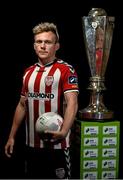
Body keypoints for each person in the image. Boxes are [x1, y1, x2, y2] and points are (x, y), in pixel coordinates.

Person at [5, 22, 79, 179]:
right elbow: (21, 105)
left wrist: (64, 131)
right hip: (31, 145)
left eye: (48, 42)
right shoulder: (28, 72)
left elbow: (72, 102)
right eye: (39, 42)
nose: (43, 46)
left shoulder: (66, 70)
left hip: (58, 145)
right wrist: (11, 136)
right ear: (34, 45)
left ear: (56, 46)